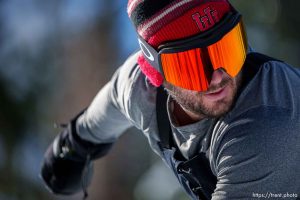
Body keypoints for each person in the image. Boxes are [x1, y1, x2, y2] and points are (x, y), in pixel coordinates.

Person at [40, 0, 300, 199]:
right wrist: (73, 146)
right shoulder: (140, 90)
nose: (218, 77)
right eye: (191, 66)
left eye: (226, 49)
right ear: (154, 71)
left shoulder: (268, 127)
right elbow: (109, 105)